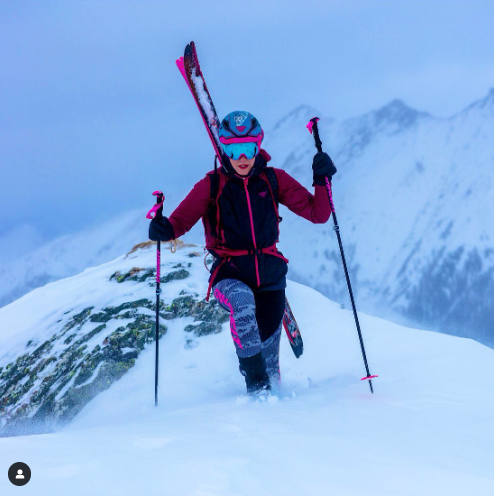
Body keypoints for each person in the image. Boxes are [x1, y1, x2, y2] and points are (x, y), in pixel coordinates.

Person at [149, 110, 336, 396]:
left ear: (258, 145)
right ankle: (255, 389)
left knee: (272, 370)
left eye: (248, 148)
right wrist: (163, 228)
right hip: (229, 273)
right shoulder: (211, 185)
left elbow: (318, 213)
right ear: (223, 148)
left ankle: (272, 407)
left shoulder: (274, 180)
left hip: (270, 277)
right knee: (242, 301)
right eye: (233, 149)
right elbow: (179, 223)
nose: (242, 157)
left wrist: (321, 180)